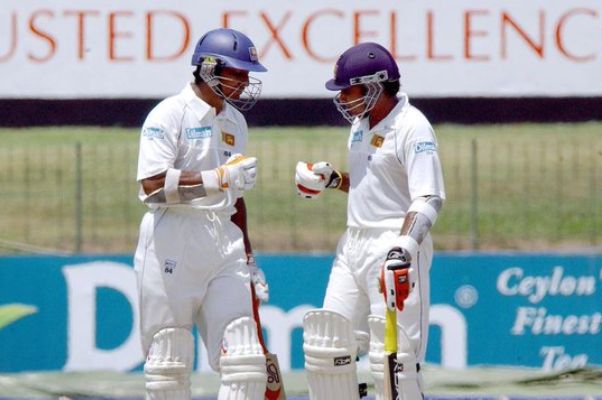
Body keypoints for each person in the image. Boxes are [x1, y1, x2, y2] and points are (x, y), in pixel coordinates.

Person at [295, 42, 446, 399]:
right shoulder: (362, 124)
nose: (343, 99)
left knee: (395, 362)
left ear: (376, 85)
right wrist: (334, 180)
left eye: (349, 90)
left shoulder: (413, 127)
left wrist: (403, 249)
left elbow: (428, 197)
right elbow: (374, 184)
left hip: (394, 247)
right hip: (353, 244)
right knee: (327, 347)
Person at [134, 28, 270, 400]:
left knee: (245, 360)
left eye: (247, 74)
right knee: (169, 364)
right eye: (238, 73)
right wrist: (218, 178)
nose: (245, 83)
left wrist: (249, 254)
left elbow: (236, 199)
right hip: (172, 239)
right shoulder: (169, 114)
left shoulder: (235, 122)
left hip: (223, 242)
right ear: (209, 69)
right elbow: (152, 186)